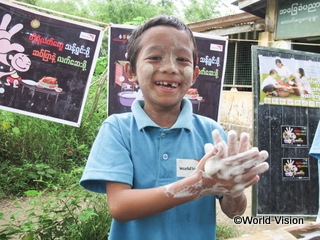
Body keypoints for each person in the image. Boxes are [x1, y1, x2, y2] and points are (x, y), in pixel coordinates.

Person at [80, 15, 269, 240]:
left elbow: (234, 212)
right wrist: (199, 185)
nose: (170, 68)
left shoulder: (211, 132)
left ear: (195, 74)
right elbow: (120, 207)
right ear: (131, 72)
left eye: (182, 59)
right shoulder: (118, 129)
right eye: (155, 57)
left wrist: (234, 189)